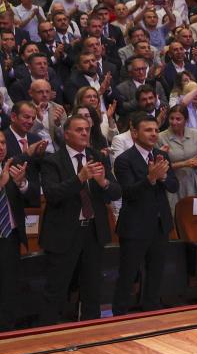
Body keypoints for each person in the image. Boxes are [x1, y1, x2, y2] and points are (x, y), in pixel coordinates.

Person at [41, 115, 122, 323]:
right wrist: (80, 178)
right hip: (63, 233)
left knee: (92, 286)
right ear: (66, 134)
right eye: (79, 130)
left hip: (93, 231)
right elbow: (52, 195)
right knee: (57, 287)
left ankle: (91, 330)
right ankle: (49, 330)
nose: (85, 133)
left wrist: (103, 182)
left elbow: (116, 192)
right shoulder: (52, 161)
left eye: (87, 129)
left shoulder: (97, 156)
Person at [113, 113, 178, 316]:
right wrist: (150, 179)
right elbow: (128, 193)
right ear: (134, 132)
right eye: (148, 130)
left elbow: (174, 186)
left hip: (159, 224)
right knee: (128, 274)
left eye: (156, 130)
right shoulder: (124, 160)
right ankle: (120, 315)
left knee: (156, 272)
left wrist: (163, 177)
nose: (153, 134)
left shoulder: (162, 156)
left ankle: (152, 311)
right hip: (135, 227)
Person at [0, 134, 39, 331]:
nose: (1, 147)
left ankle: (6, 331)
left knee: (9, 287)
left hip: (10, 237)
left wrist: (22, 184)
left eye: (2, 142)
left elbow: (34, 198)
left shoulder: (14, 167)